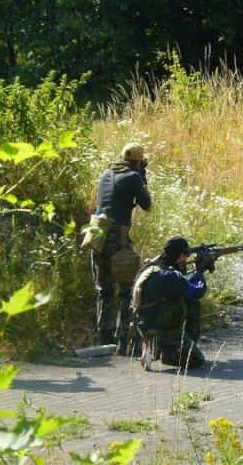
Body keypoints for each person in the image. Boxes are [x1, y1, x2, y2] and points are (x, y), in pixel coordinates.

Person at [91, 143, 152, 354]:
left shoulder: (106, 172)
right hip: (119, 238)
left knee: (104, 290)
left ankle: (103, 338)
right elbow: (148, 206)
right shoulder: (133, 177)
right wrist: (142, 179)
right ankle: (124, 340)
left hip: (97, 235)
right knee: (128, 291)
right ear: (137, 162)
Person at [131, 236, 212, 370]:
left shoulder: (153, 267)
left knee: (193, 304)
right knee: (197, 360)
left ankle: (171, 344)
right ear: (180, 255)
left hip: (144, 322)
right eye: (186, 255)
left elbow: (181, 285)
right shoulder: (169, 276)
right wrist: (199, 272)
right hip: (160, 329)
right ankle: (164, 352)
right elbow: (198, 291)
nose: (187, 258)